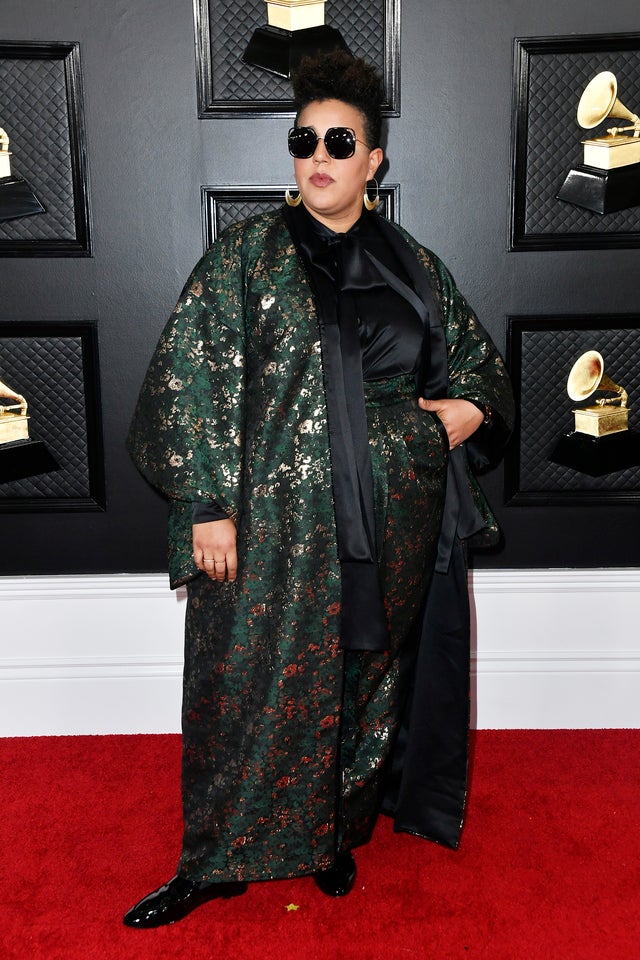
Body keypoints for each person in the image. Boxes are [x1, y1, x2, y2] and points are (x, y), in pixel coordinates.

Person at [123, 50, 514, 928]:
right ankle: (215, 860)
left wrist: (458, 415)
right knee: (239, 684)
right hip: (270, 521)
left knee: (363, 682)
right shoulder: (247, 257)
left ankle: (330, 835)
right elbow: (189, 379)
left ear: (375, 160)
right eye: (306, 140)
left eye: (341, 140)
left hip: (394, 515)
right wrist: (204, 504)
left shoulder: (415, 265)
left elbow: (483, 373)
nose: (320, 155)